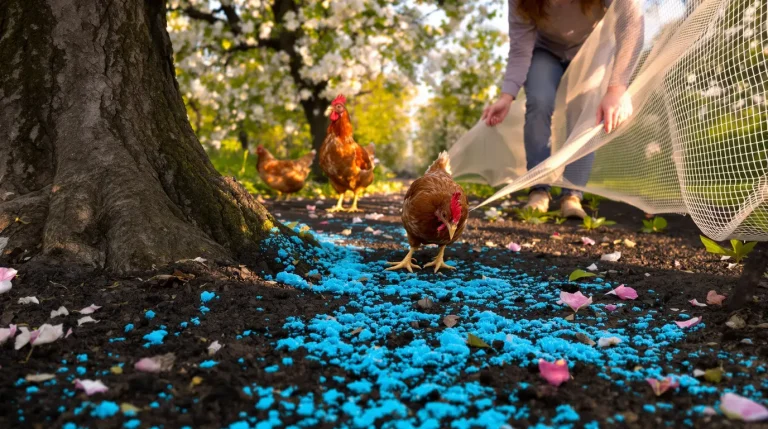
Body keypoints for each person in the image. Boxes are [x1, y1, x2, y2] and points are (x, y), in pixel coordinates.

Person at [482, 0, 644, 218]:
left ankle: (572, 195)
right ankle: (539, 189)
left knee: (584, 110)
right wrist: (506, 96)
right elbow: (520, 50)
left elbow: (631, 21)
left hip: (591, 50)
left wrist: (616, 89)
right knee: (539, 101)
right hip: (545, 52)